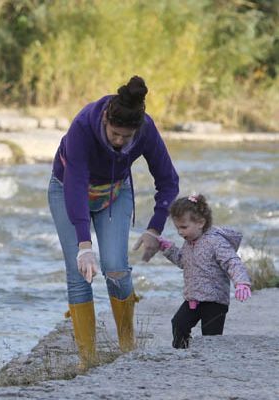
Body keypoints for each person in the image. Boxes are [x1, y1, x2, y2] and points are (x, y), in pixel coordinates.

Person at [48, 76, 179, 367]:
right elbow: (76, 184)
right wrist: (84, 244)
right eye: (114, 134)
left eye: (126, 137)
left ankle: (126, 346)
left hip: (115, 192)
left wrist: (154, 229)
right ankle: (88, 359)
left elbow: (169, 181)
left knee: (116, 267)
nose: (119, 141)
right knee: (80, 271)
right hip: (67, 189)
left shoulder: (146, 131)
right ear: (105, 119)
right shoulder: (82, 126)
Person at [154, 194, 252, 349]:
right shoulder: (189, 242)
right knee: (178, 323)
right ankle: (182, 354)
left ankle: (211, 363)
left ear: (200, 223)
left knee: (211, 338)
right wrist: (168, 249)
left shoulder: (215, 242)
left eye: (183, 227)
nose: (180, 232)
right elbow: (183, 261)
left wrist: (241, 282)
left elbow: (232, 262)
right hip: (193, 298)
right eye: (177, 227)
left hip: (214, 301)